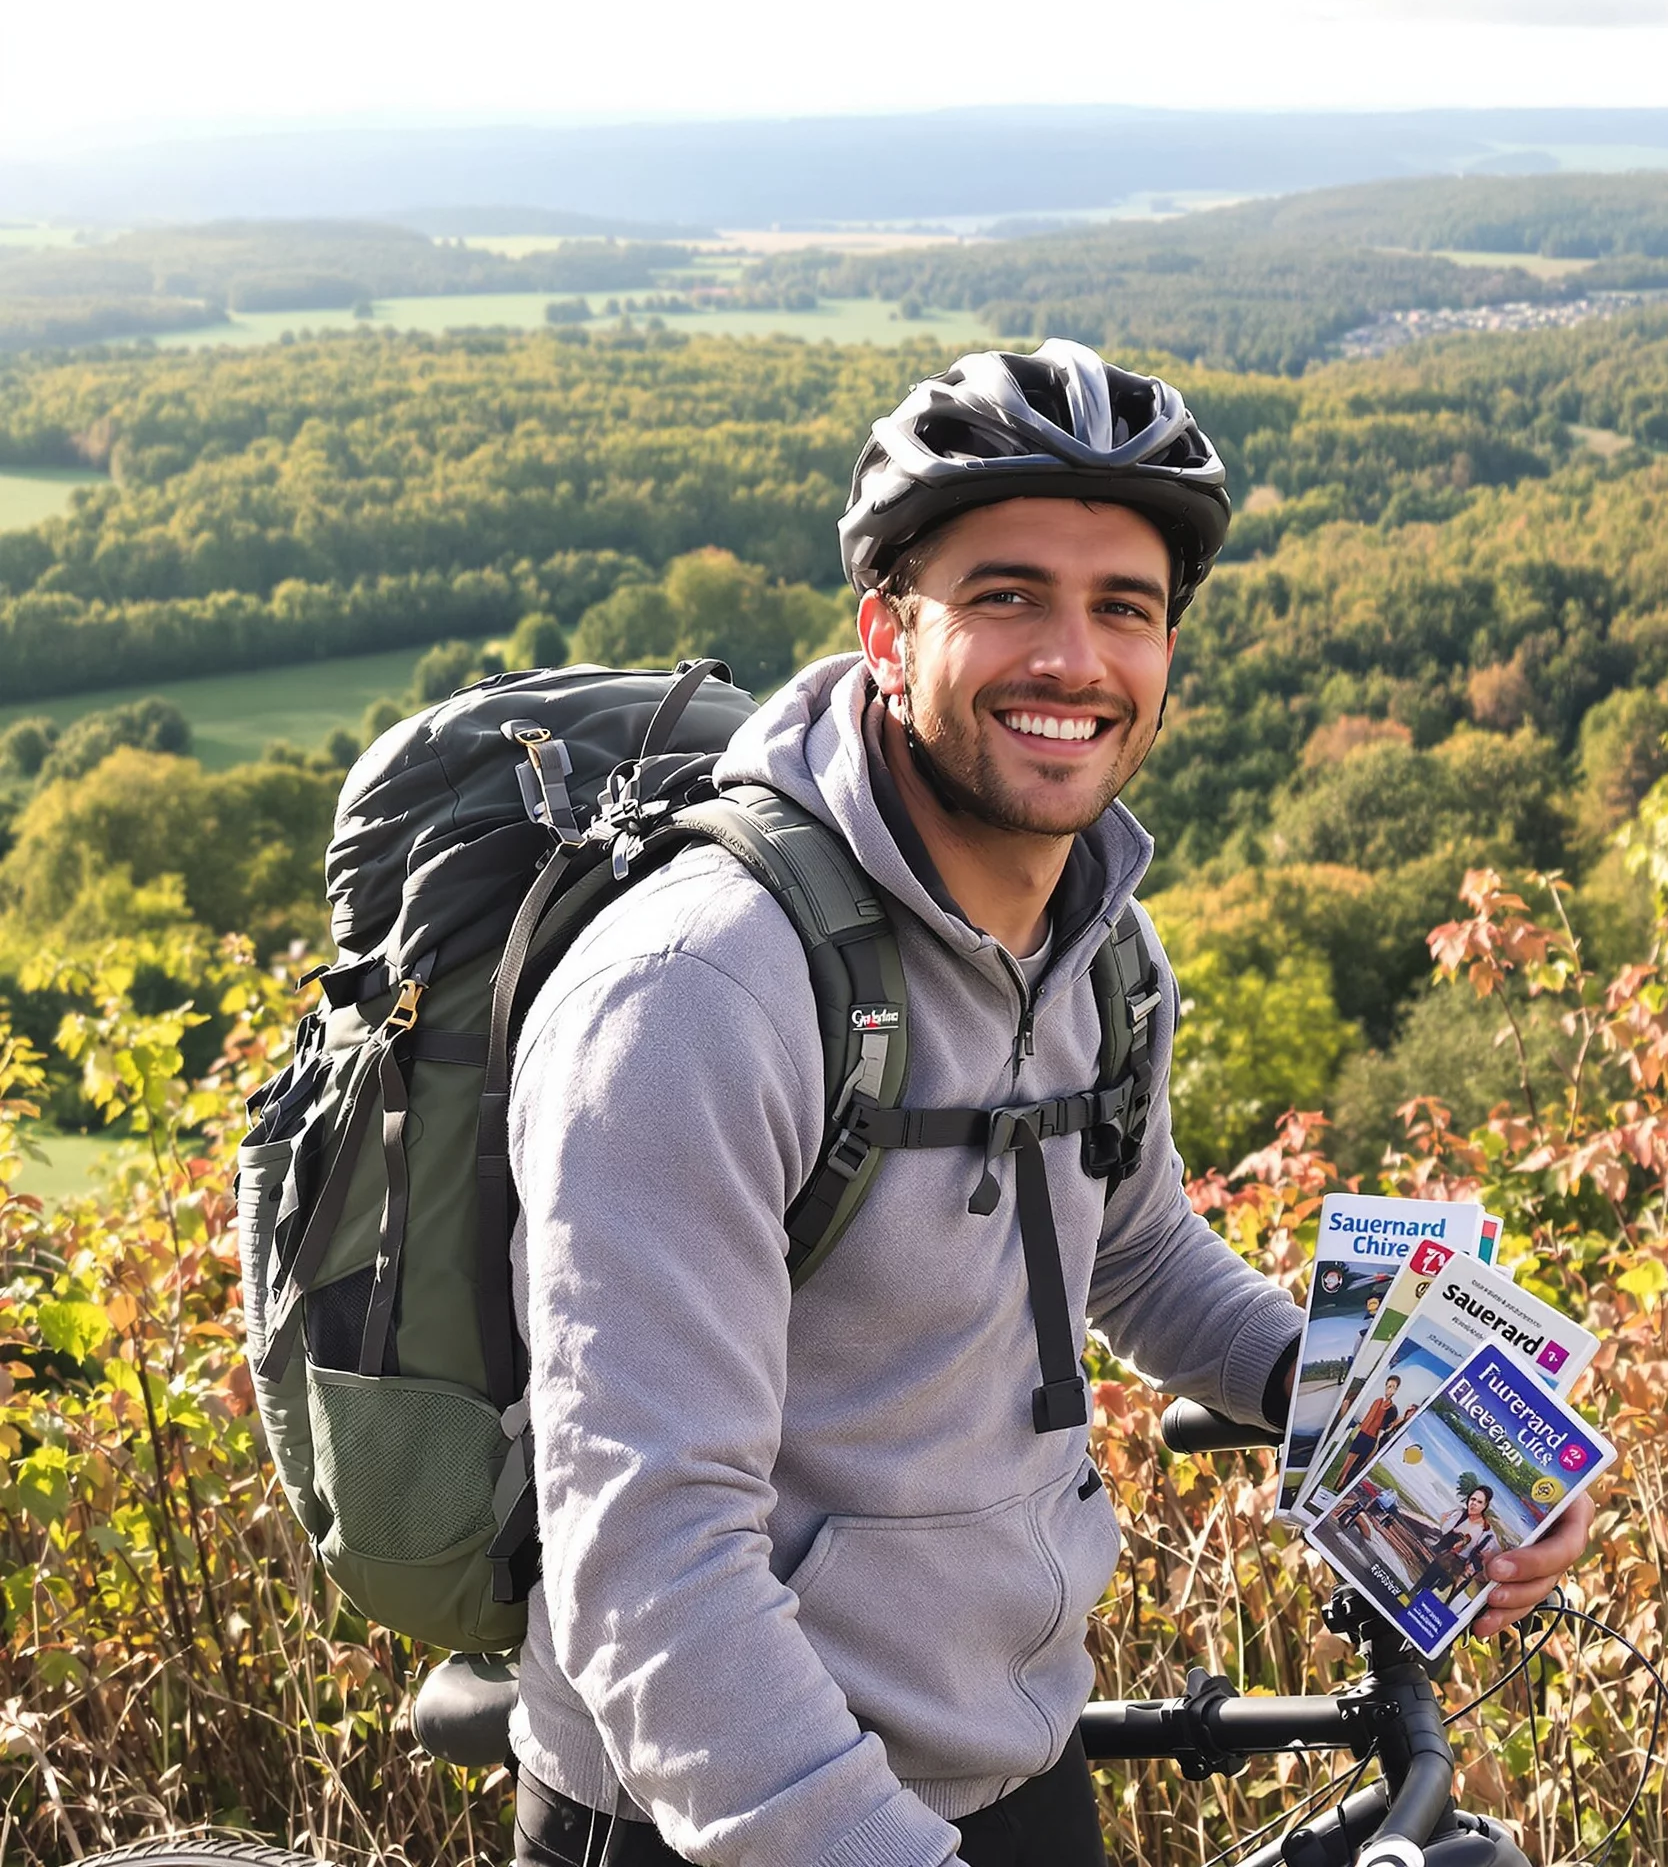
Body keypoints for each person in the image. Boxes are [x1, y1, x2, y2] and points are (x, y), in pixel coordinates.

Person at [506, 341, 1592, 1867]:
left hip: (1010, 1762)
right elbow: (650, 1556)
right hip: (717, 1810)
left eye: (1124, 608)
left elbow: (1134, 1253)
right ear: (888, 634)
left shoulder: (1103, 951)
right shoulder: (700, 991)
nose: (1074, 660)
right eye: (1009, 595)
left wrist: (1403, 1427)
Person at [1416, 1488, 1502, 1607]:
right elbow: (1444, 1529)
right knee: (1420, 1585)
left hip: (1457, 1570)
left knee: (1436, 1599)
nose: (1474, 1504)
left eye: (1479, 1502)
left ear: (1485, 1505)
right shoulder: (1460, 1515)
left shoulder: (1486, 1532)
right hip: (1443, 1558)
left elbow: (1492, 1554)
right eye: (1473, 1499)